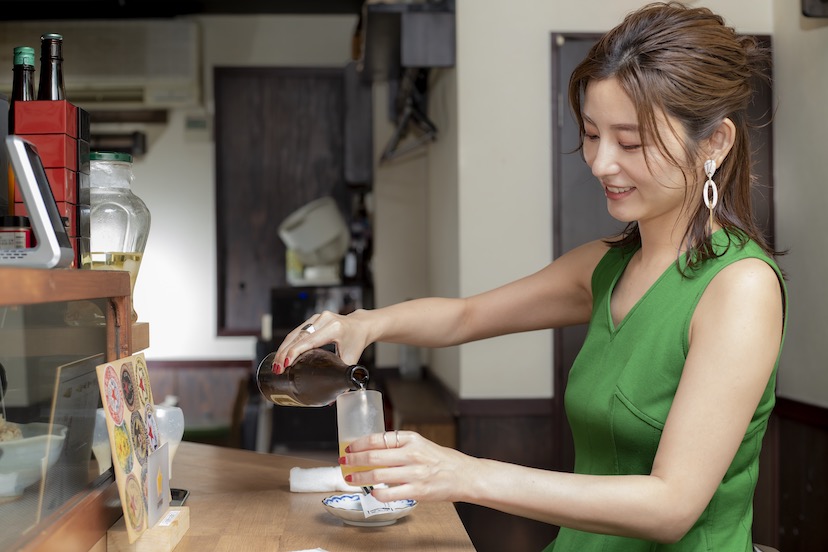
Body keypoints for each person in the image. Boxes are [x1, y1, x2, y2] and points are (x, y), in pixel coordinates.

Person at [273, 2, 787, 550]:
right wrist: (364, 325)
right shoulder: (607, 265)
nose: (600, 162)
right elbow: (466, 315)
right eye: (592, 134)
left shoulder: (740, 287)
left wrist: (462, 473)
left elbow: (670, 506)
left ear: (714, 143)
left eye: (630, 142)